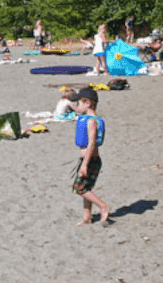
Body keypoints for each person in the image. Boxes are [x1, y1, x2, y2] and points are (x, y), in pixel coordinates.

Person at [72, 87, 110, 226]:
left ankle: (103, 206)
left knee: (79, 188)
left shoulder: (91, 121)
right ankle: (87, 217)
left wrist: (84, 164)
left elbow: (92, 143)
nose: (77, 106)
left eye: (79, 103)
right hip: (88, 160)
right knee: (86, 187)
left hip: (90, 161)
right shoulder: (88, 119)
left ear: (87, 103)